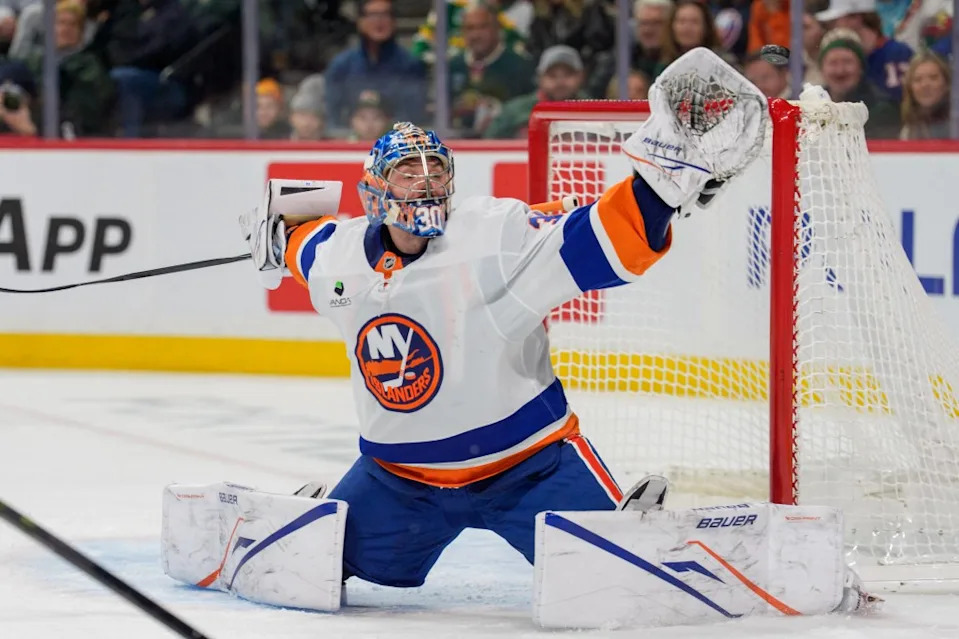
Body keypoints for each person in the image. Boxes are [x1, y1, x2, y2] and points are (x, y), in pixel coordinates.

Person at [228, 47, 876, 618]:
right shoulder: (337, 255)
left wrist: (660, 184)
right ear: (375, 189)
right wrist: (273, 230)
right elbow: (299, 240)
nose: (425, 182)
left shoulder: (494, 238)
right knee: (299, 571)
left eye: (436, 171)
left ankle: (754, 559)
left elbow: (598, 240)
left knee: (631, 585)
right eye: (408, 171)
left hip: (530, 470)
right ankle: (329, 514)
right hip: (396, 478)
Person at [818, 27, 899, 138]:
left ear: (860, 68)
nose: (840, 70)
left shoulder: (881, 109)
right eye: (833, 63)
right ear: (822, 69)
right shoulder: (811, 106)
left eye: (847, 62)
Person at [899, 51, 950, 140]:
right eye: (918, 79)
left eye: (933, 77)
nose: (925, 85)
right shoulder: (908, 131)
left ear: (946, 84)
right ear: (910, 88)